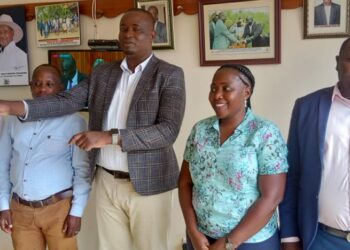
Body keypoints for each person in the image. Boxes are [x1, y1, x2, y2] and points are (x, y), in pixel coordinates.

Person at [0, 8, 186, 250]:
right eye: (124, 28)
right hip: (107, 181)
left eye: (136, 29)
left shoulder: (168, 74)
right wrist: (10, 106)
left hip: (149, 183)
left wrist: (110, 137)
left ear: (152, 35)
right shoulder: (103, 73)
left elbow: (168, 131)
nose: (128, 34)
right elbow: (65, 101)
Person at [178, 64, 288, 250]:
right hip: (201, 240)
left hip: (250, 242)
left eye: (226, 89)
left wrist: (228, 243)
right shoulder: (200, 130)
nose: (217, 95)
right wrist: (192, 231)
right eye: (213, 89)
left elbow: (272, 197)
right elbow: (184, 183)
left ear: (246, 92)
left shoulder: (265, 132)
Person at [0, 64, 91, 250]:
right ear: (31, 86)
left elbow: (82, 170)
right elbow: (3, 163)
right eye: (38, 83)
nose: (42, 89)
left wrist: (77, 212)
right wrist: (3, 206)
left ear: (61, 88)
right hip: (20, 209)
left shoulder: (74, 122)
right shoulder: (12, 119)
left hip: (58, 210)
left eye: (49, 84)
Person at [279, 38, 350, 250]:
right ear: (337, 63)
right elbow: (291, 176)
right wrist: (289, 237)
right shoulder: (307, 107)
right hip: (322, 239)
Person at [0, 14, 28, 85]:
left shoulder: (21, 56)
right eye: (0, 32)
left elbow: (22, 81)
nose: (2, 36)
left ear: (12, 33)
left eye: (5, 32)